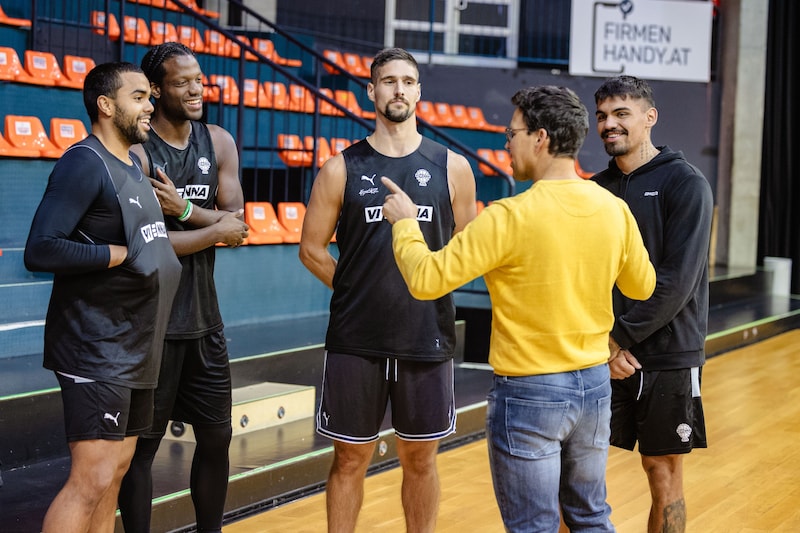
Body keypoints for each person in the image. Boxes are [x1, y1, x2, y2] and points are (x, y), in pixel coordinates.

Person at [381, 85, 657, 532]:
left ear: (540, 138)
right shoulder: (614, 209)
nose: (505, 144)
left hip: (530, 394)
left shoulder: (507, 217)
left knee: (533, 526)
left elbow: (426, 279)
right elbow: (642, 286)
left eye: (511, 134)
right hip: (593, 387)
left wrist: (407, 226)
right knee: (591, 517)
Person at [298, 47, 477, 532]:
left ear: (419, 91)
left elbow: (467, 246)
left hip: (426, 334)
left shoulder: (452, 167)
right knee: (349, 461)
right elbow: (312, 249)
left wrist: (431, 281)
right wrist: (357, 290)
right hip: (357, 339)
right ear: (371, 91)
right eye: (388, 81)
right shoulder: (340, 168)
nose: (399, 89)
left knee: (420, 460)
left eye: (408, 81)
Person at [24, 62, 182, 533]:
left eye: (150, 97)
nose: (150, 105)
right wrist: (114, 253)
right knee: (90, 479)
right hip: (96, 345)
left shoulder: (136, 162)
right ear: (106, 105)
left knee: (114, 474)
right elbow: (41, 248)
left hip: (137, 344)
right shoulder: (83, 163)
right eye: (139, 97)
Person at [118, 43, 249, 533]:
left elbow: (239, 226)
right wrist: (212, 229)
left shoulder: (218, 142)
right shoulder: (135, 151)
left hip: (203, 322)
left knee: (216, 438)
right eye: (181, 82)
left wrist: (187, 212)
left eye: (199, 79)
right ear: (155, 90)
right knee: (142, 450)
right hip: (150, 326)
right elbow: (149, 243)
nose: (196, 89)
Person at [592, 75, 713, 533]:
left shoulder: (686, 184)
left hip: (666, 354)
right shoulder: (595, 188)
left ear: (649, 118)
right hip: (600, 355)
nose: (610, 124)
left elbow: (677, 281)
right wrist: (602, 345)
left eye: (622, 114)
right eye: (602, 116)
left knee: (661, 472)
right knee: (576, 473)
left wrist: (617, 339)